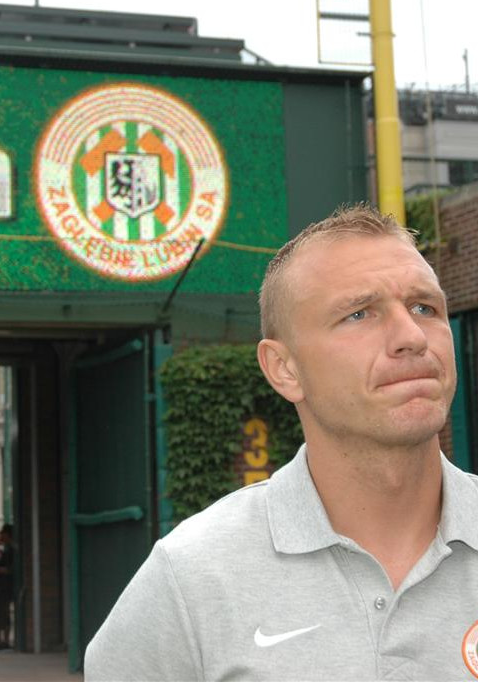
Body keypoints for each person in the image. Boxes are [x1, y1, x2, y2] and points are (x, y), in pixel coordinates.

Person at [84, 203, 478, 681]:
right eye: (359, 314)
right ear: (284, 369)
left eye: (424, 307)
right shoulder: (193, 576)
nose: (412, 336)